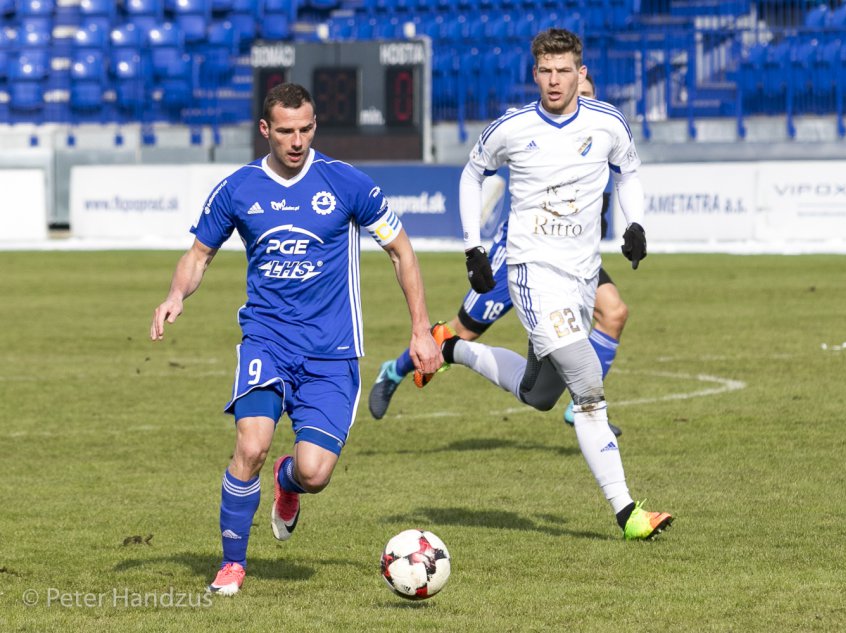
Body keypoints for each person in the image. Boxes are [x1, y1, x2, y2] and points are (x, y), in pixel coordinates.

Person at [149, 82, 441, 595]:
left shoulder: (346, 183)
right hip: (266, 342)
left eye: (306, 129)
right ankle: (233, 564)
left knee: (314, 473)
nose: (297, 140)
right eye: (286, 131)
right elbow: (199, 255)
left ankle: (288, 483)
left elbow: (402, 251)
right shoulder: (238, 188)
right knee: (251, 446)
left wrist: (420, 328)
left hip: (332, 353)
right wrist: (176, 294)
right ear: (265, 129)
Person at [439, 29, 671, 540]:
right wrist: (473, 248)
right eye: (545, 71)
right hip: (532, 273)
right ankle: (628, 513)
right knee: (586, 382)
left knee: (540, 394)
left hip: (582, 276)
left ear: (579, 72)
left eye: (563, 70)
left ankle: (451, 348)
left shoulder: (607, 122)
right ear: (535, 73)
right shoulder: (513, 127)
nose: (554, 80)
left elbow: (628, 173)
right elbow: (471, 174)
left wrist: (635, 224)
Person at [368, 74, 628, 438]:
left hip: (572, 259)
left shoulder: (599, 139)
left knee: (614, 312)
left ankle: (582, 405)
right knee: (463, 332)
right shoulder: (539, 131)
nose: (578, 101)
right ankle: (395, 369)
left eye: (586, 97)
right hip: (521, 256)